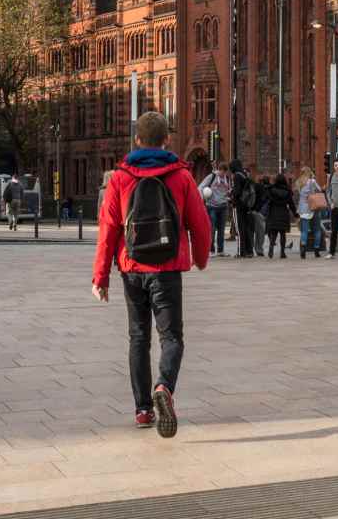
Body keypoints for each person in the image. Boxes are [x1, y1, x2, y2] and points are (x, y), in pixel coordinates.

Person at [92, 111, 211, 438]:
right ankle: (165, 386)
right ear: (166, 140)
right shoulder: (181, 176)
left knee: (138, 337)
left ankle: (143, 409)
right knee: (171, 337)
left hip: (132, 268)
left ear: (138, 140)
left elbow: (108, 229)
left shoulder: (120, 177)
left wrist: (100, 277)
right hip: (168, 267)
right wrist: (200, 258)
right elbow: (201, 224)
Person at [263, 172, 295, 259]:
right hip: (283, 213)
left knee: (273, 233)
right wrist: (295, 213)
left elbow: (266, 199)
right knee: (282, 234)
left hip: (273, 213)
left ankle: (271, 247)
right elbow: (291, 204)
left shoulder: (271, 189)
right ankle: (282, 252)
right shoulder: (288, 191)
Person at [199, 168, 231, 256]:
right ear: (219, 170)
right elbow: (201, 187)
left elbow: (229, 190)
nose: (223, 174)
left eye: (225, 172)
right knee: (211, 229)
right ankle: (211, 250)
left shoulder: (227, 178)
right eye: (222, 172)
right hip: (212, 206)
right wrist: (203, 197)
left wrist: (228, 196)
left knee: (221, 229)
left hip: (223, 206)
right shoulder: (212, 176)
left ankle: (220, 250)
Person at [295, 167, 324, 259]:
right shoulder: (312, 181)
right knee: (317, 230)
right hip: (313, 207)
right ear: (309, 172)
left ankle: (303, 249)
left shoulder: (298, 182)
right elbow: (319, 190)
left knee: (304, 230)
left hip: (303, 208)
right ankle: (316, 250)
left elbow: (300, 194)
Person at [228, 163, 255, 258]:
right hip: (246, 205)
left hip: (238, 205)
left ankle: (241, 252)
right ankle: (249, 251)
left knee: (239, 229)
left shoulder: (236, 176)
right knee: (246, 228)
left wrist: (231, 196)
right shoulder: (244, 175)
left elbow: (237, 191)